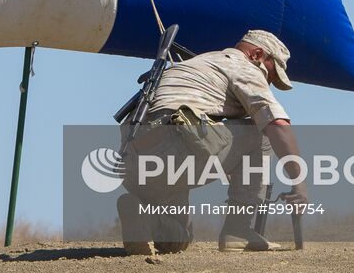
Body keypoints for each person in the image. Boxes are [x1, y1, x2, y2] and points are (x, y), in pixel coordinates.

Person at [116, 30, 308, 255]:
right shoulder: (242, 66)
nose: (268, 84)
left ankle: (141, 215)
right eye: (270, 76)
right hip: (173, 151)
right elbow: (277, 125)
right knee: (261, 133)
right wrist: (299, 185)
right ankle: (238, 231)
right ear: (257, 54)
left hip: (132, 164)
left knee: (176, 240)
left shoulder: (196, 65)